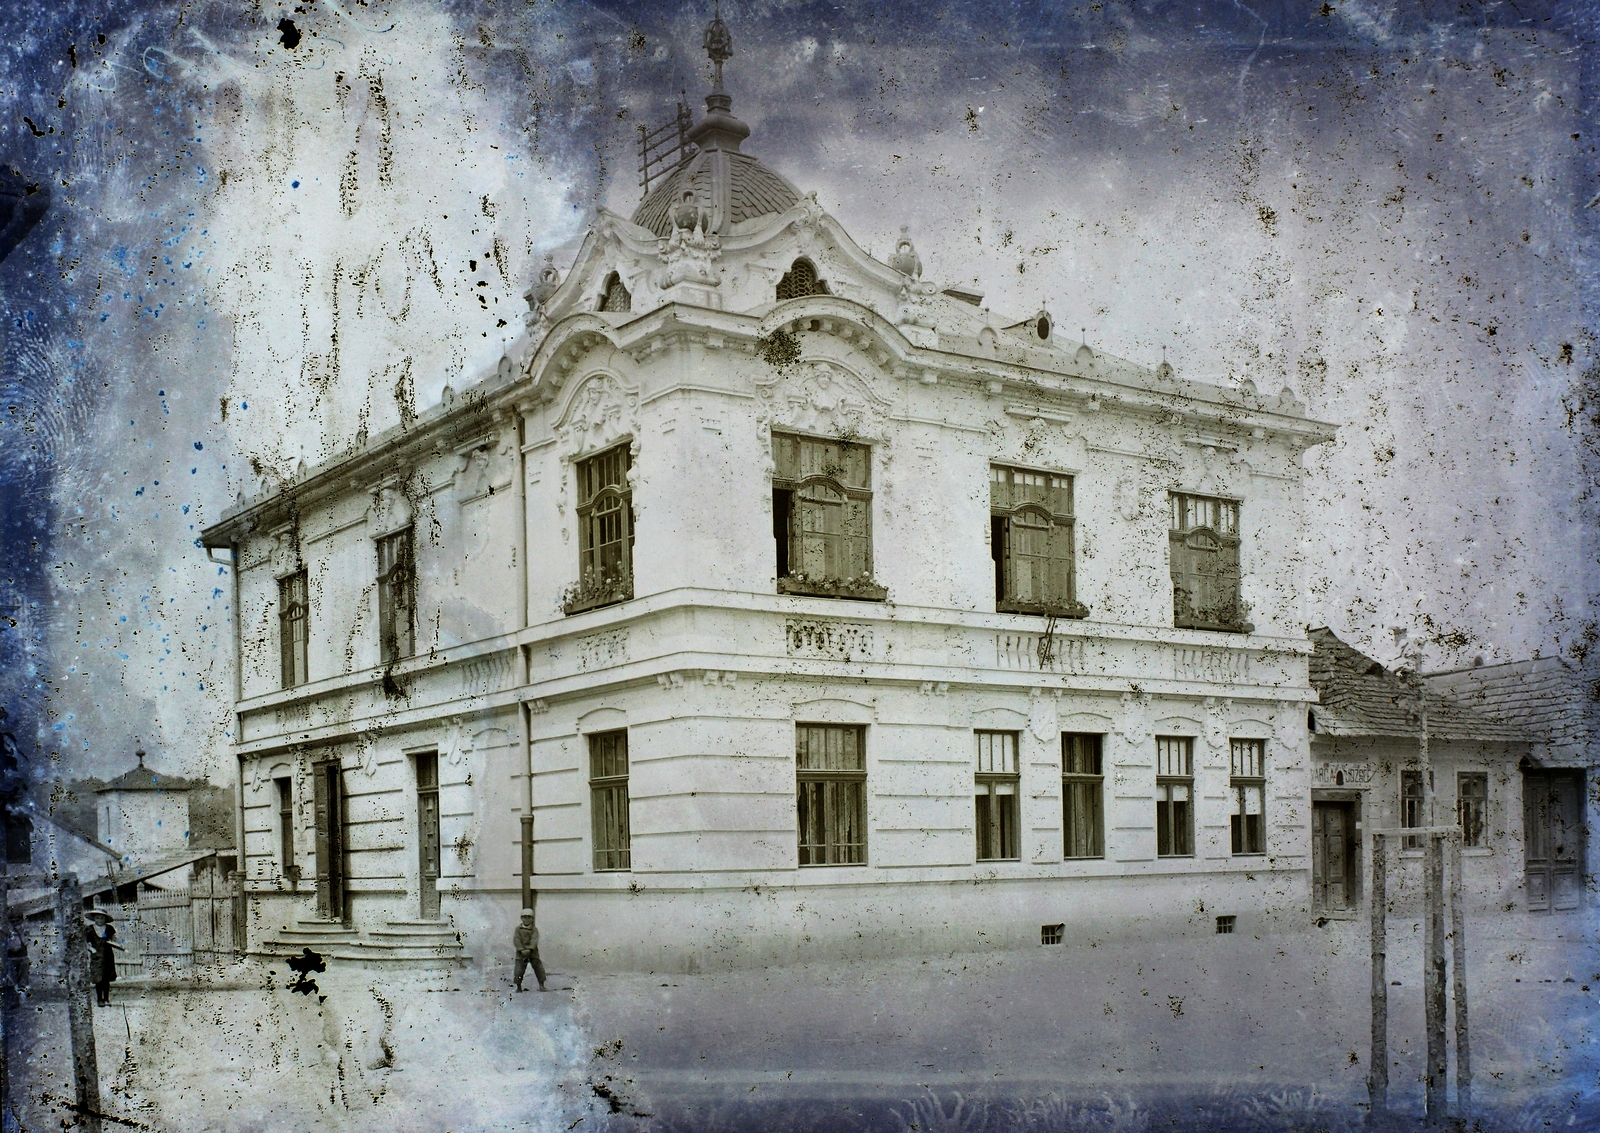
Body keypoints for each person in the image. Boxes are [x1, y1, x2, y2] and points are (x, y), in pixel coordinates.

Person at [512, 908, 546, 993]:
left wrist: (530, 948)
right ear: (521, 918)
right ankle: (518, 987)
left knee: (539, 968)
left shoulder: (534, 930)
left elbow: (534, 939)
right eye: (524, 917)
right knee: (519, 970)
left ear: (532, 919)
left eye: (529, 917)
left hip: (532, 953)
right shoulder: (518, 929)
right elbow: (516, 939)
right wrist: (521, 949)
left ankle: (541, 985)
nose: (527, 919)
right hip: (521, 953)